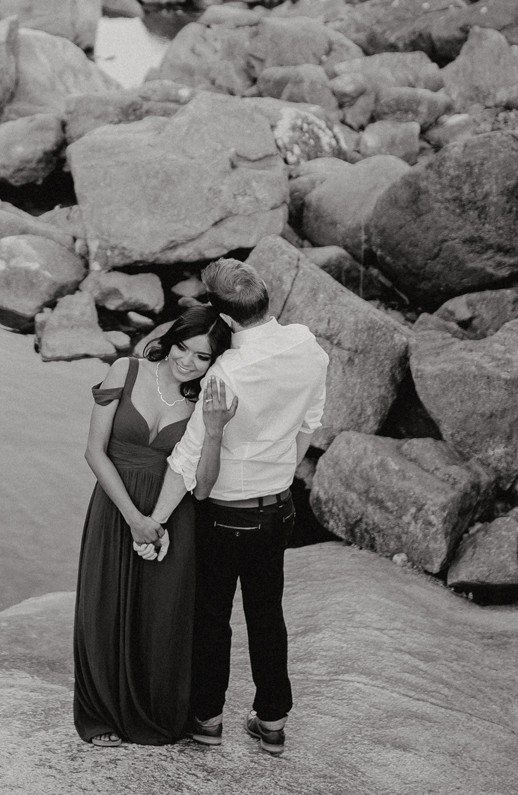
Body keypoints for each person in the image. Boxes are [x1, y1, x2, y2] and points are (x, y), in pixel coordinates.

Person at [142, 257, 328, 756]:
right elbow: (310, 423)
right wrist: (281, 470)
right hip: (279, 509)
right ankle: (272, 723)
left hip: (225, 514)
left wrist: (154, 522)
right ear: (265, 298)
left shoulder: (225, 372)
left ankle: (208, 720)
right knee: (267, 614)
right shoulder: (309, 348)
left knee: (213, 618)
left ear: (221, 317)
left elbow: (186, 462)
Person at [73, 306, 231, 747]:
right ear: (172, 338)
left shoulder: (203, 404)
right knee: (102, 607)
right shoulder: (124, 370)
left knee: (162, 617)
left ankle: (156, 713)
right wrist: (133, 518)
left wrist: (216, 431)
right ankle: (99, 714)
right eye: (184, 347)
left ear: (213, 363)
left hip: (172, 515)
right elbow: (93, 451)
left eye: (202, 357)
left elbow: (201, 487)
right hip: (116, 508)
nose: (187, 361)